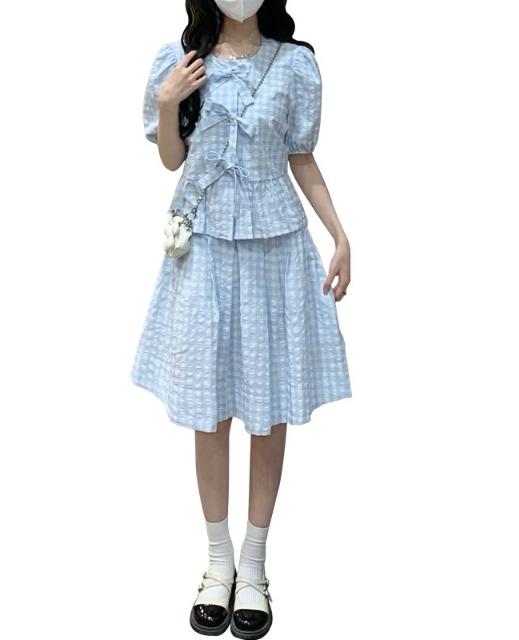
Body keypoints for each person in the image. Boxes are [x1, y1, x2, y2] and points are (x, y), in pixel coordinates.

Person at [129, 1, 352, 637]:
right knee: (208, 407)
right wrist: (168, 101)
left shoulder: (296, 65)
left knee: (268, 405)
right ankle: (217, 561)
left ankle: (254, 564)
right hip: (202, 249)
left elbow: (300, 156)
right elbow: (171, 159)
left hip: (274, 248)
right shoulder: (179, 61)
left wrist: (339, 234)